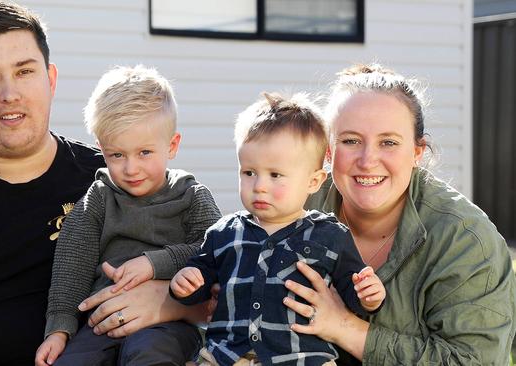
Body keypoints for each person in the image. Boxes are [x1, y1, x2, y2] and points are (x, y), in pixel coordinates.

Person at [0, 2, 201, 365]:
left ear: (51, 79)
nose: (10, 94)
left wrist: (169, 302)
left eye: (24, 71)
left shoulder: (116, 177)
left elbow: (221, 278)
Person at [282, 63, 516, 365]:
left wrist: (345, 327)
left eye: (388, 143)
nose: (368, 161)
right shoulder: (293, 208)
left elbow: (473, 361)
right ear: (329, 150)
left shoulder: (466, 240)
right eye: (351, 141)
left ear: (417, 152)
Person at [170, 93, 386, 366]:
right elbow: (201, 283)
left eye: (275, 175)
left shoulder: (330, 235)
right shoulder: (224, 233)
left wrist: (368, 297)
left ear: (313, 181)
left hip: (303, 357)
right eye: (249, 172)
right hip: (228, 356)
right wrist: (186, 283)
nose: (259, 185)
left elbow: (351, 293)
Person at [35, 65, 222, 366]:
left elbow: (214, 252)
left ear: (172, 145)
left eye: (144, 153)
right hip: (103, 319)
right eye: (117, 155)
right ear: (101, 149)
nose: (131, 168)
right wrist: (58, 329)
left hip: (169, 324)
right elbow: (71, 266)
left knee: (149, 355)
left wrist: (154, 264)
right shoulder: (99, 198)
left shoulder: (190, 195)